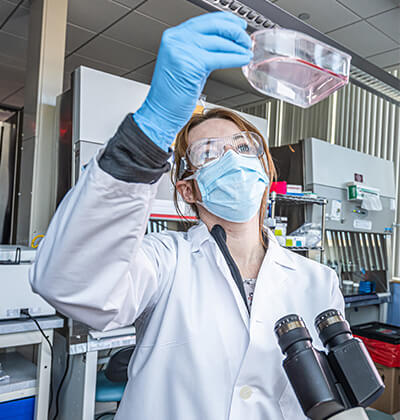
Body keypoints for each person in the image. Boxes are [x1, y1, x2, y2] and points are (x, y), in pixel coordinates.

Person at [30, 11, 344, 420]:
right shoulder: (163, 260)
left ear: (267, 169)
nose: (232, 158)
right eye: (210, 153)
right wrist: (152, 126)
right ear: (188, 188)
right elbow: (70, 283)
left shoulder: (318, 281)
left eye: (244, 147)